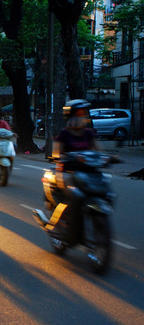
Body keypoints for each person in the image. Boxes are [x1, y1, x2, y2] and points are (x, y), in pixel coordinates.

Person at [34, 99, 100, 238]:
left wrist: (109, 158)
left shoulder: (89, 134)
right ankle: (56, 225)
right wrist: (62, 157)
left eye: (83, 114)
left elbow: (98, 151)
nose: (81, 117)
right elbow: (58, 154)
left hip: (87, 173)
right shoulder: (64, 135)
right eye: (78, 114)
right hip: (66, 173)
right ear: (70, 116)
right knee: (72, 196)